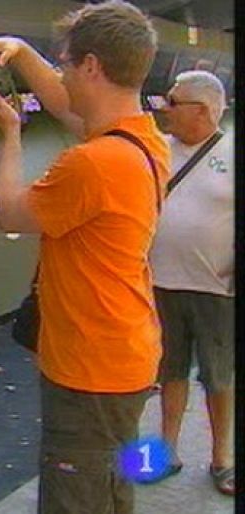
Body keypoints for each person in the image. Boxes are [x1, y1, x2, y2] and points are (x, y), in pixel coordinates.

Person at [0, 1, 168, 512]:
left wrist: (10, 135)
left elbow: (11, 214)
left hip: (89, 374)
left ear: (91, 67)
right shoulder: (143, 141)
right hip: (124, 357)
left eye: (64, 64)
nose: (61, 74)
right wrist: (21, 56)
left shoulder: (94, 163)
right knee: (110, 484)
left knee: (74, 497)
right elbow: (68, 105)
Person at [149, 70, 234, 495]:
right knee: (171, 370)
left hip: (216, 291)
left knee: (218, 377)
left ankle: (223, 458)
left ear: (201, 111)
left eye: (173, 101)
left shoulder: (233, 153)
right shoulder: (158, 149)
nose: (164, 107)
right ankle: (166, 450)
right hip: (162, 285)